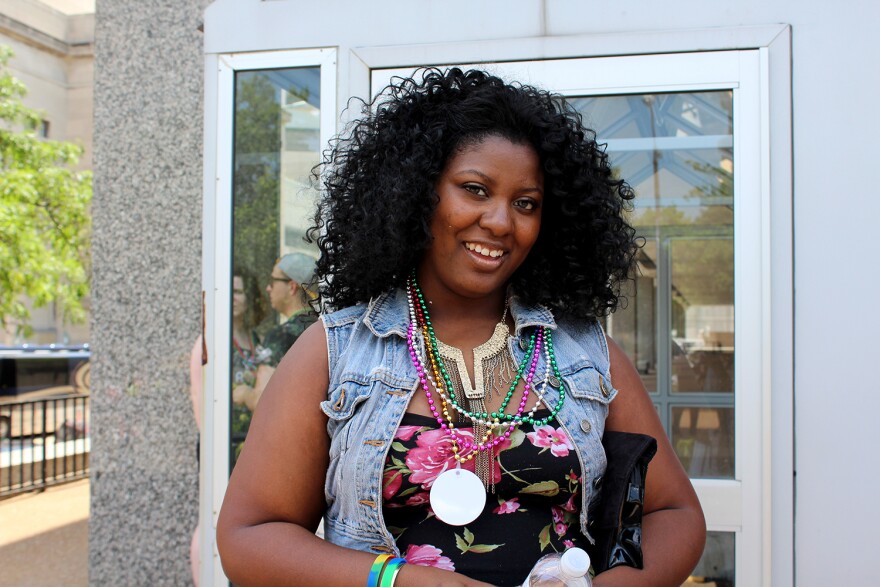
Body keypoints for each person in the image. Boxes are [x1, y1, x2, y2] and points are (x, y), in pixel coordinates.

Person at [217, 68, 705, 586]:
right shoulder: (337, 350)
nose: (500, 221)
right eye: (475, 189)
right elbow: (251, 538)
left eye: (526, 203)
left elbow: (675, 516)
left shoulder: (584, 350)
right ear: (416, 192)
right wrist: (408, 582)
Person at [189, 268, 266, 585]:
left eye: (240, 292)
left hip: (252, 441)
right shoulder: (209, 343)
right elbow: (202, 401)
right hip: (224, 442)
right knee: (215, 514)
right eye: (230, 291)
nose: (235, 298)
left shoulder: (257, 340)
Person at [233, 253, 318, 412]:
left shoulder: (281, 336)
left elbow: (261, 403)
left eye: (273, 281)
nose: (268, 288)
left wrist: (245, 394)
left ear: (292, 287)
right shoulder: (321, 328)